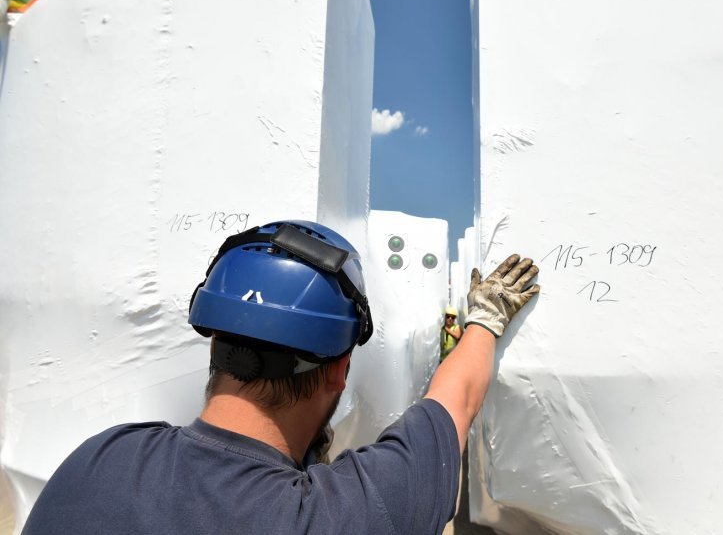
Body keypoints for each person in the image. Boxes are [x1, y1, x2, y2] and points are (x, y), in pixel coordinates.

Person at [22, 220, 540, 534]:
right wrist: (488, 316)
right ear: (339, 371)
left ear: (215, 343)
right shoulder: (358, 513)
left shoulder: (98, 459)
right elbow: (457, 399)